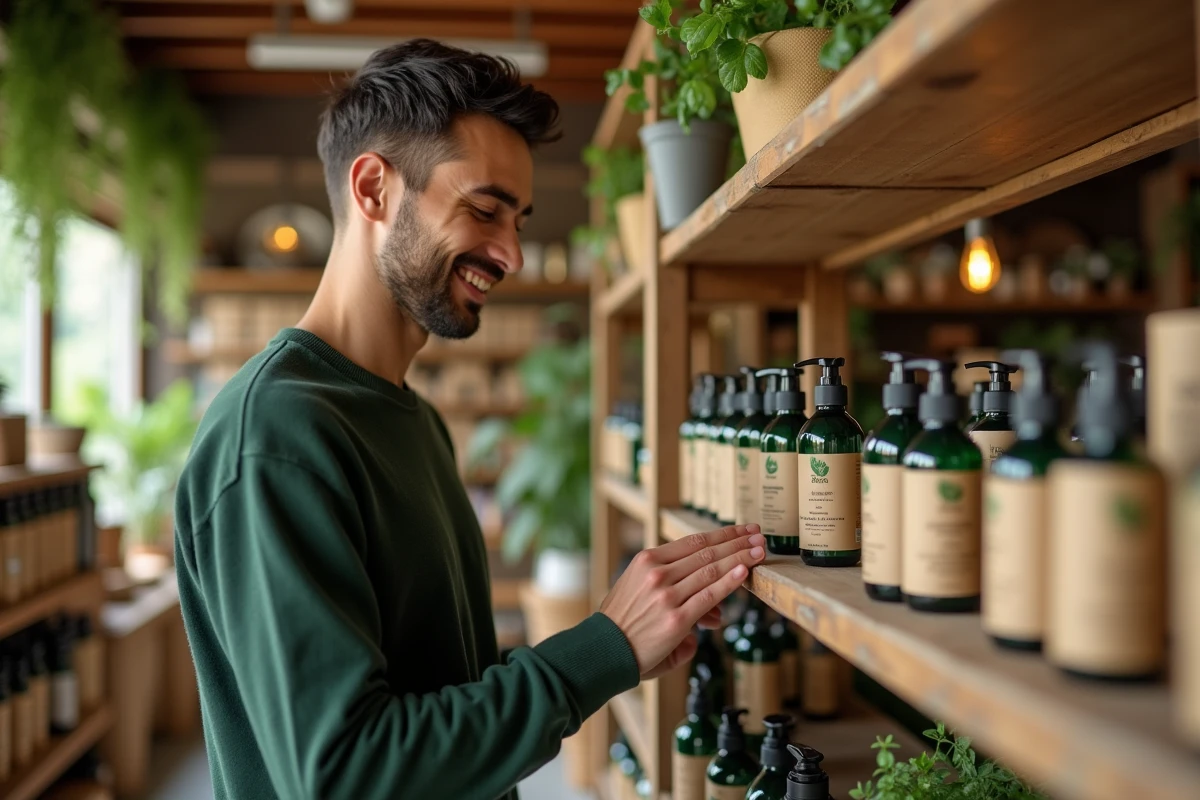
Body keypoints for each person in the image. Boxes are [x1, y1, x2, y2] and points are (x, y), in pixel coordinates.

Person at [175, 39, 766, 800]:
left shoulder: (415, 420)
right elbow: (345, 774)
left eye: (517, 219)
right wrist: (599, 650)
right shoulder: (275, 437)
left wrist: (621, 649)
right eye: (484, 210)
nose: (512, 254)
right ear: (373, 189)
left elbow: (439, 699)